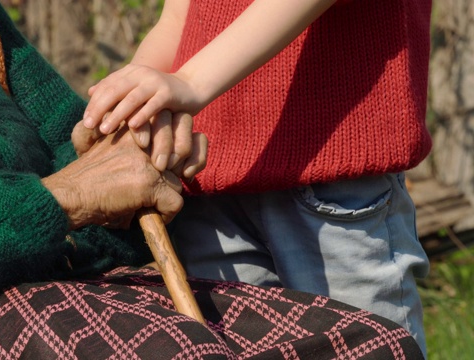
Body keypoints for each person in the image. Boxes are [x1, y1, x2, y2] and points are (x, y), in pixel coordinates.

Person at [0, 0, 424, 358]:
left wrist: (122, 139)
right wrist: (66, 191)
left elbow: (72, 147)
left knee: (362, 343)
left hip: (313, 189)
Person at [83, 0, 432, 356]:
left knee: (363, 345)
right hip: (207, 188)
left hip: (329, 177)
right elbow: (180, 16)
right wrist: (132, 105)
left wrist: (188, 81)